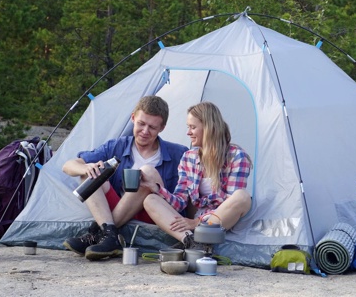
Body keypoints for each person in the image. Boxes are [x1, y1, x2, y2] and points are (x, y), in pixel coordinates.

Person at [62, 95, 188, 260]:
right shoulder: (117, 146)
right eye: (141, 124)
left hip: (153, 212)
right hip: (120, 208)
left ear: (162, 128)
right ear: (133, 118)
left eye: (152, 127)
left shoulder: (179, 153)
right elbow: (68, 165)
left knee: (147, 172)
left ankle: (98, 233)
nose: (144, 131)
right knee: (89, 174)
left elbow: (192, 192)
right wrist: (86, 167)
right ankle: (109, 234)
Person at [143, 101, 252, 250]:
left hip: (220, 220)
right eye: (188, 127)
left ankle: (201, 237)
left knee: (242, 197)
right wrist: (156, 188)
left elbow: (228, 202)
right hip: (194, 223)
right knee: (150, 200)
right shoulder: (189, 157)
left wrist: (197, 222)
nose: (188, 133)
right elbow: (180, 202)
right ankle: (191, 241)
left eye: (193, 127)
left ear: (209, 128)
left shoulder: (236, 156)